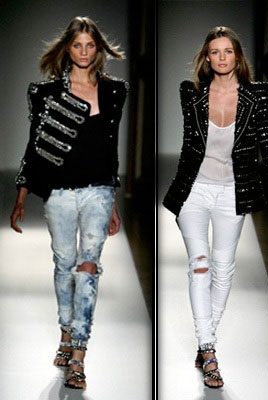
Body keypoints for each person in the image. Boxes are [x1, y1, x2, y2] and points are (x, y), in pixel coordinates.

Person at [162, 26, 268, 389]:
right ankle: (208, 350)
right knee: (200, 265)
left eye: (228, 51)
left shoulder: (259, 95)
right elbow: (190, 146)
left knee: (223, 270)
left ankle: (205, 339)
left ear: (237, 56)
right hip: (194, 189)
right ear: (206, 58)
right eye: (215, 52)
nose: (221, 58)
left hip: (232, 193)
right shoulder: (191, 93)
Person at [9, 16, 128, 389]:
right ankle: (65, 330)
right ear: (67, 48)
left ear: (99, 49)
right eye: (77, 45)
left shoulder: (114, 91)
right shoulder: (44, 94)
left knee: (88, 266)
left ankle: (78, 353)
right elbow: (35, 144)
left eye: (90, 45)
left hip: (98, 190)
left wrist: (112, 201)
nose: (84, 52)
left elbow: (110, 149)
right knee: (64, 265)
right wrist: (22, 193)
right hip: (59, 190)